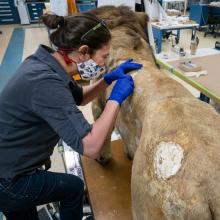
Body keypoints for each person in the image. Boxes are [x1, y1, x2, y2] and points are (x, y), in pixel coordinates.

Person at [0, 12, 142, 220]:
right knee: (73, 188)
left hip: (10, 165)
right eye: (103, 57)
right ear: (83, 51)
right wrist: (116, 99)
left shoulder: (47, 63)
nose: (103, 64)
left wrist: (108, 80)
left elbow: (79, 98)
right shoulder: (45, 82)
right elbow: (91, 146)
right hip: (9, 180)